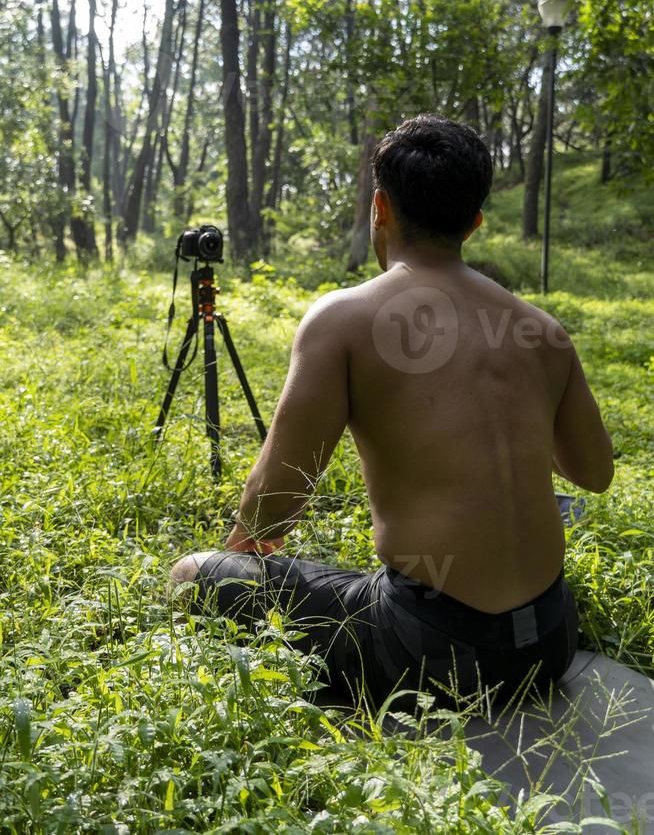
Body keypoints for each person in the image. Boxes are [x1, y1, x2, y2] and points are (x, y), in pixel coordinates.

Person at [170, 115, 614, 712]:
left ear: (380, 207)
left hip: (429, 652)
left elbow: (278, 495)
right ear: (475, 223)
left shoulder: (346, 319)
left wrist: (234, 566)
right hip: (551, 641)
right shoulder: (544, 330)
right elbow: (594, 473)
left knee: (193, 573)